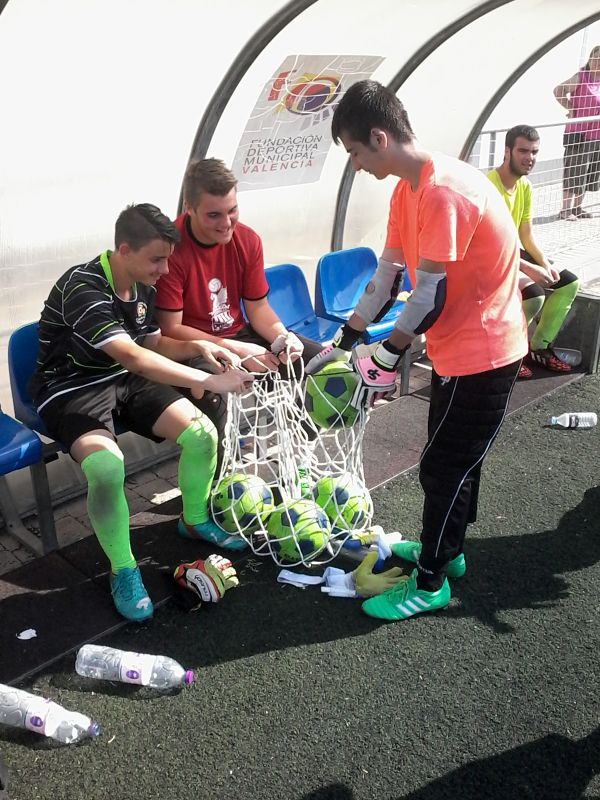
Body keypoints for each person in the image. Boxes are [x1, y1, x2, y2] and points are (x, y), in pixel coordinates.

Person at [306, 80, 528, 622]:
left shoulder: (444, 191)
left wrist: (386, 357)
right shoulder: (407, 190)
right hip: (456, 350)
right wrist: (345, 341)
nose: (356, 165)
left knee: (446, 466)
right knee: (455, 459)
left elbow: (430, 294)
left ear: (379, 138)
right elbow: (387, 277)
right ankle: (446, 553)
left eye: (355, 152)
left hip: (486, 353)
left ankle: (430, 582)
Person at [29, 204, 254, 622]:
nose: (165, 269)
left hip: (123, 379)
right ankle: (123, 569)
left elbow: (151, 346)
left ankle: (194, 519)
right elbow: (133, 356)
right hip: (69, 389)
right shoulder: (83, 286)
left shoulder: (142, 286)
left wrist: (199, 347)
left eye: (167, 258)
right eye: (156, 259)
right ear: (124, 250)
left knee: (202, 434)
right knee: (107, 467)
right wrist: (209, 380)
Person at [154, 158, 323, 458]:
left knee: (322, 364)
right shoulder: (171, 249)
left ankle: (298, 453)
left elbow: (258, 309)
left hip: (237, 336)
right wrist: (237, 350)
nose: (226, 222)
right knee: (213, 393)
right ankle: (221, 477)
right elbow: (171, 329)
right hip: (192, 347)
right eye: (214, 215)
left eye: (232, 210)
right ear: (189, 208)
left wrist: (282, 338)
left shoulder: (247, 239)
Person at [487, 124, 579, 379]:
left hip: (511, 251)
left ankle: (538, 347)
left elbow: (526, 234)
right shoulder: (489, 186)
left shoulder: (525, 186)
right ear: (507, 151)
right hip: (490, 258)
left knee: (568, 283)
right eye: (523, 151)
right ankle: (508, 354)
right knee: (534, 295)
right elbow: (491, 246)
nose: (530, 158)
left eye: (534, 152)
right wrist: (529, 268)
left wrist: (544, 263)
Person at [553, 45, 600, 221]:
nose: (598, 62)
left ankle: (577, 208)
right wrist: (571, 108)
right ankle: (565, 210)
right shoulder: (582, 77)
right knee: (574, 171)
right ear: (590, 59)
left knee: (589, 173)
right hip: (579, 133)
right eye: (595, 58)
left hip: (597, 135)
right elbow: (559, 90)